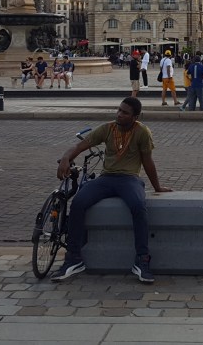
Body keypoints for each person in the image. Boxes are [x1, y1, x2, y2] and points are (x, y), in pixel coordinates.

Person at [50, 97, 172, 283]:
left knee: (138, 207)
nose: (119, 114)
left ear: (135, 117)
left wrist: (157, 187)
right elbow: (80, 146)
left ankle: (142, 259)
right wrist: (66, 158)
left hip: (129, 179)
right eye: (119, 110)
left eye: (125, 113)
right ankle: (73, 258)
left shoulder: (142, 132)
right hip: (106, 178)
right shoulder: (107, 128)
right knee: (78, 203)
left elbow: (148, 162)